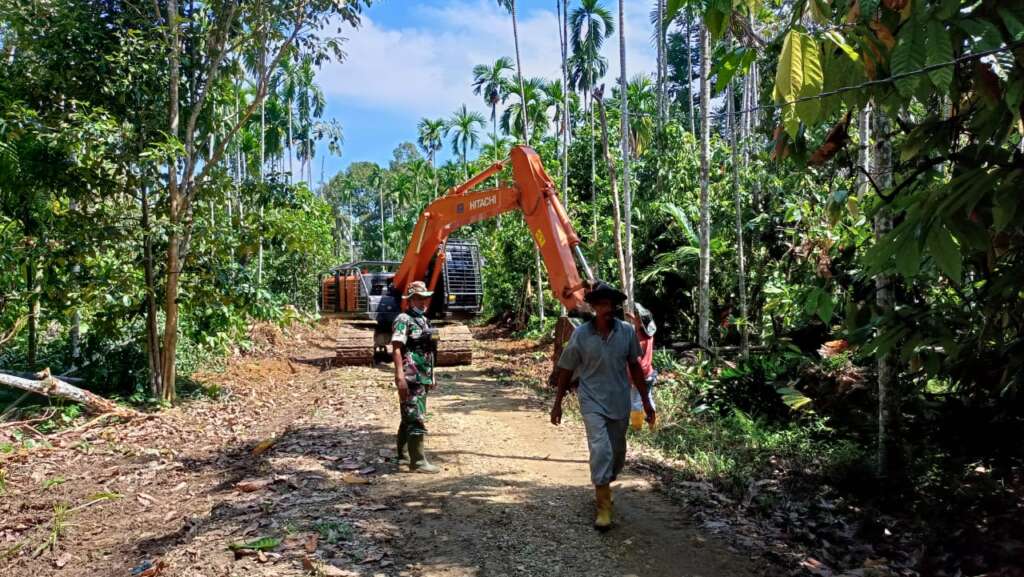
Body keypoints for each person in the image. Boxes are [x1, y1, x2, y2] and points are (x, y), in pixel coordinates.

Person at [550, 281, 655, 530]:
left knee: (618, 454)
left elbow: (635, 369)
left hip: (619, 400)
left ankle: (606, 482)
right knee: (601, 449)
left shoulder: (627, 333)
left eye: (612, 304)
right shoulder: (581, 335)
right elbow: (565, 368)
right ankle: (603, 506)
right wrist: (558, 404)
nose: (608, 308)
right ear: (595, 306)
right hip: (591, 400)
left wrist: (647, 402)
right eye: (603, 304)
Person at [391, 280, 440, 474]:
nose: (423, 302)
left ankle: (402, 456)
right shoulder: (404, 319)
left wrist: (432, 375)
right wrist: (399, 376)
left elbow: (430, 351)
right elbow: (396, 348)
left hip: (422, 375)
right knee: (415, 417)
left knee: (408, 416)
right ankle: (418, 461)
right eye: (419, 298)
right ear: (410, 300)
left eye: (425, 298)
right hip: (411, 376)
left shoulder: (424, 321)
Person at [626, 302, 658, 431]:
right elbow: (642, 325)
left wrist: (632, 379)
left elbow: (637, 363)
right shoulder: (649, 336)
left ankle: (636, 429)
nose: (636, 319)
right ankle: (653, 426)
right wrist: (634, 319)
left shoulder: (638, 339)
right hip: (649, 375)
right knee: (648, 398)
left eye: (638, 319)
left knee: (635, 402)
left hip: (641, 376)